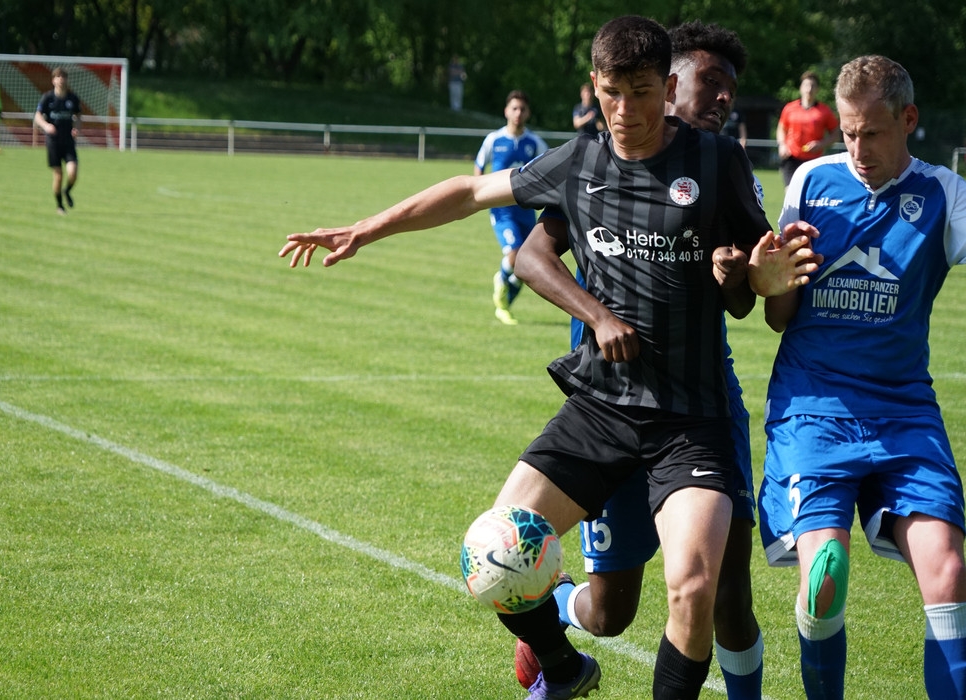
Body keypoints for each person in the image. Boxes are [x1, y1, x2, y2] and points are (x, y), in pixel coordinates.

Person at [280, 16, 816, 699]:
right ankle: (563, 669)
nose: (626, 110)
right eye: (612, 92)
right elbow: (469, 192)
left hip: (691, 418)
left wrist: (760, 277)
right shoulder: (579, 160)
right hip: (600, 410)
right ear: (595, 85)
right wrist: (366, 228)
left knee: (694, 587)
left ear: (665, 87)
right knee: (491, 550)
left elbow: (755, 278)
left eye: (642, 92)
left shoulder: (717, 161)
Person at [516, 20, 766, 699]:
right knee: (609, 612)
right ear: (670, 81)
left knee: (722, 589)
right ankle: (556, 617)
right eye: (711, 81)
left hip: (698, 403)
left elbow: (747, 298)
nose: (724, 97)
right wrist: (597, 317)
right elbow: (532, 250)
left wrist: (741, 274)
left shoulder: (719, 164)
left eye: (731, 87)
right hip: (607, 404)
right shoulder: (596, 162)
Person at [758, 54, 966, 699]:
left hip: (903, 408)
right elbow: (779, 313)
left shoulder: (944, 193)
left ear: (908, 119)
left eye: (871, 133)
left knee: (948, 570)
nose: (857, 149)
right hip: (812, 407)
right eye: (847, 133)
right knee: (825, 573)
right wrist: (770, 282)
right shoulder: (812, 180)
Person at [474, 90, 549, 325]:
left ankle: (505, 303)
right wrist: (478, 196)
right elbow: (479, 167)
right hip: (501, 210)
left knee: (529, 262)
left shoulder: (534, 143)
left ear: (528, 113)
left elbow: (549, 169)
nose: (518, 113)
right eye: (514, 108)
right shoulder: (494, 140)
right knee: (515, 255)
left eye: (522, 109)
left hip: (526, 210)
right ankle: (501, 280)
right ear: (506, 111)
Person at [776, 70, 839, 186]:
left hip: (813, 160)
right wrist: (782, 144)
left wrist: (821, 144)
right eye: (806, 85)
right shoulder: (789, 108)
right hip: (791, 157)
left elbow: (836, 134)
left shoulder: (824, 111)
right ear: (800, 88)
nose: (809, 89)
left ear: (817, 89)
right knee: (791, 191)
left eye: (812, 86)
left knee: (809, 192)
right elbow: (781, 129)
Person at [34, 67, 81, 215]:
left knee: (73, 172)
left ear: (66, 80)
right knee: (58, 175)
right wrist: (46, 126)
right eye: (58, 77)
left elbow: (78, 116)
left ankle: (67, 191)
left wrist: (76, 127)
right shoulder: (47, 98)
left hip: (68, 142)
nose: (61, 79)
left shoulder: (72, 98)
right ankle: (60, 206)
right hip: (53, 142)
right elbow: (37, 116)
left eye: (63, 77)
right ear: (53, 80)